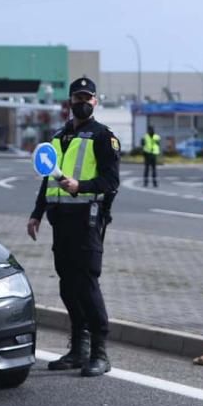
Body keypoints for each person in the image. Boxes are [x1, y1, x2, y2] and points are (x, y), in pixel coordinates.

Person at [27, 76, 120, 377]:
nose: (82, 103)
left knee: (87, 282)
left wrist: (80, 186)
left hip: (88, 220)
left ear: (95, 101)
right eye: (77, 98)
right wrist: (36, 214)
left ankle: (99, 352)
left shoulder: (103, 137)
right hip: (61, 222)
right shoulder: (58, 137)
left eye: (87, 98)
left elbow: (111, 182)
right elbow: (48, 178)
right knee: (67, 284)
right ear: (69, 102)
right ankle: (78, 350)